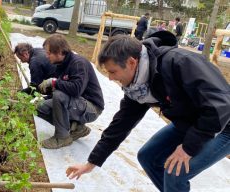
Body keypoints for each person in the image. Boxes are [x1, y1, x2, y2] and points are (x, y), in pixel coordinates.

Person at [66, 31, 230, 191]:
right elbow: (121, 125)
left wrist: (187, 148)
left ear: (131, 62)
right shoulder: (139, 86)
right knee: (148, 157)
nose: (110, 78)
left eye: (113, 71)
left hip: (222, 124)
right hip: (191, 121)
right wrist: (91, 163)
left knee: (176, 172)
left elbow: (221, 106)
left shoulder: (180, 63)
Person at [37, 34, 105, 149]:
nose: (47, 56)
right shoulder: (61, 65)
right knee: (40, 106)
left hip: (92, 108)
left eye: (48, 53)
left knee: (59, 96)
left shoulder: (78, 63)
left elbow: (76, 89)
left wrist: (54, 83)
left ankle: (62, 137)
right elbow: (61, 90)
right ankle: (77, 128)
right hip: (76, 104)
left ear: (59, 52)